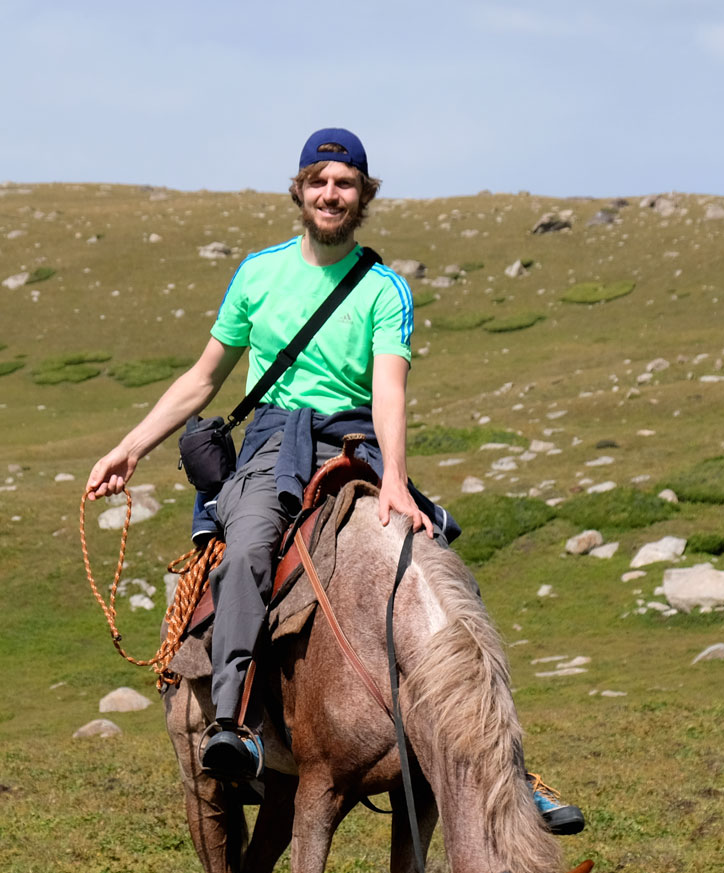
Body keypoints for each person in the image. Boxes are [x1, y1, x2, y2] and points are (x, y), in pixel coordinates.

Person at [85, 128, 583, 835]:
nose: (330, 194)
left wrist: (399, 484)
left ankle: (509, 766)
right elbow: (203, 377)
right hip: (270, 442)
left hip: (353, 441)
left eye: (344, 183)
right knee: (251, 545)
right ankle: (234, 725)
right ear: (300, 190)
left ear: (362, 196)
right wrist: (129, 448)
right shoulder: (257, 275)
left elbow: (389, 393)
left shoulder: (385, 289)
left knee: (442, 570)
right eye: (318, 181)